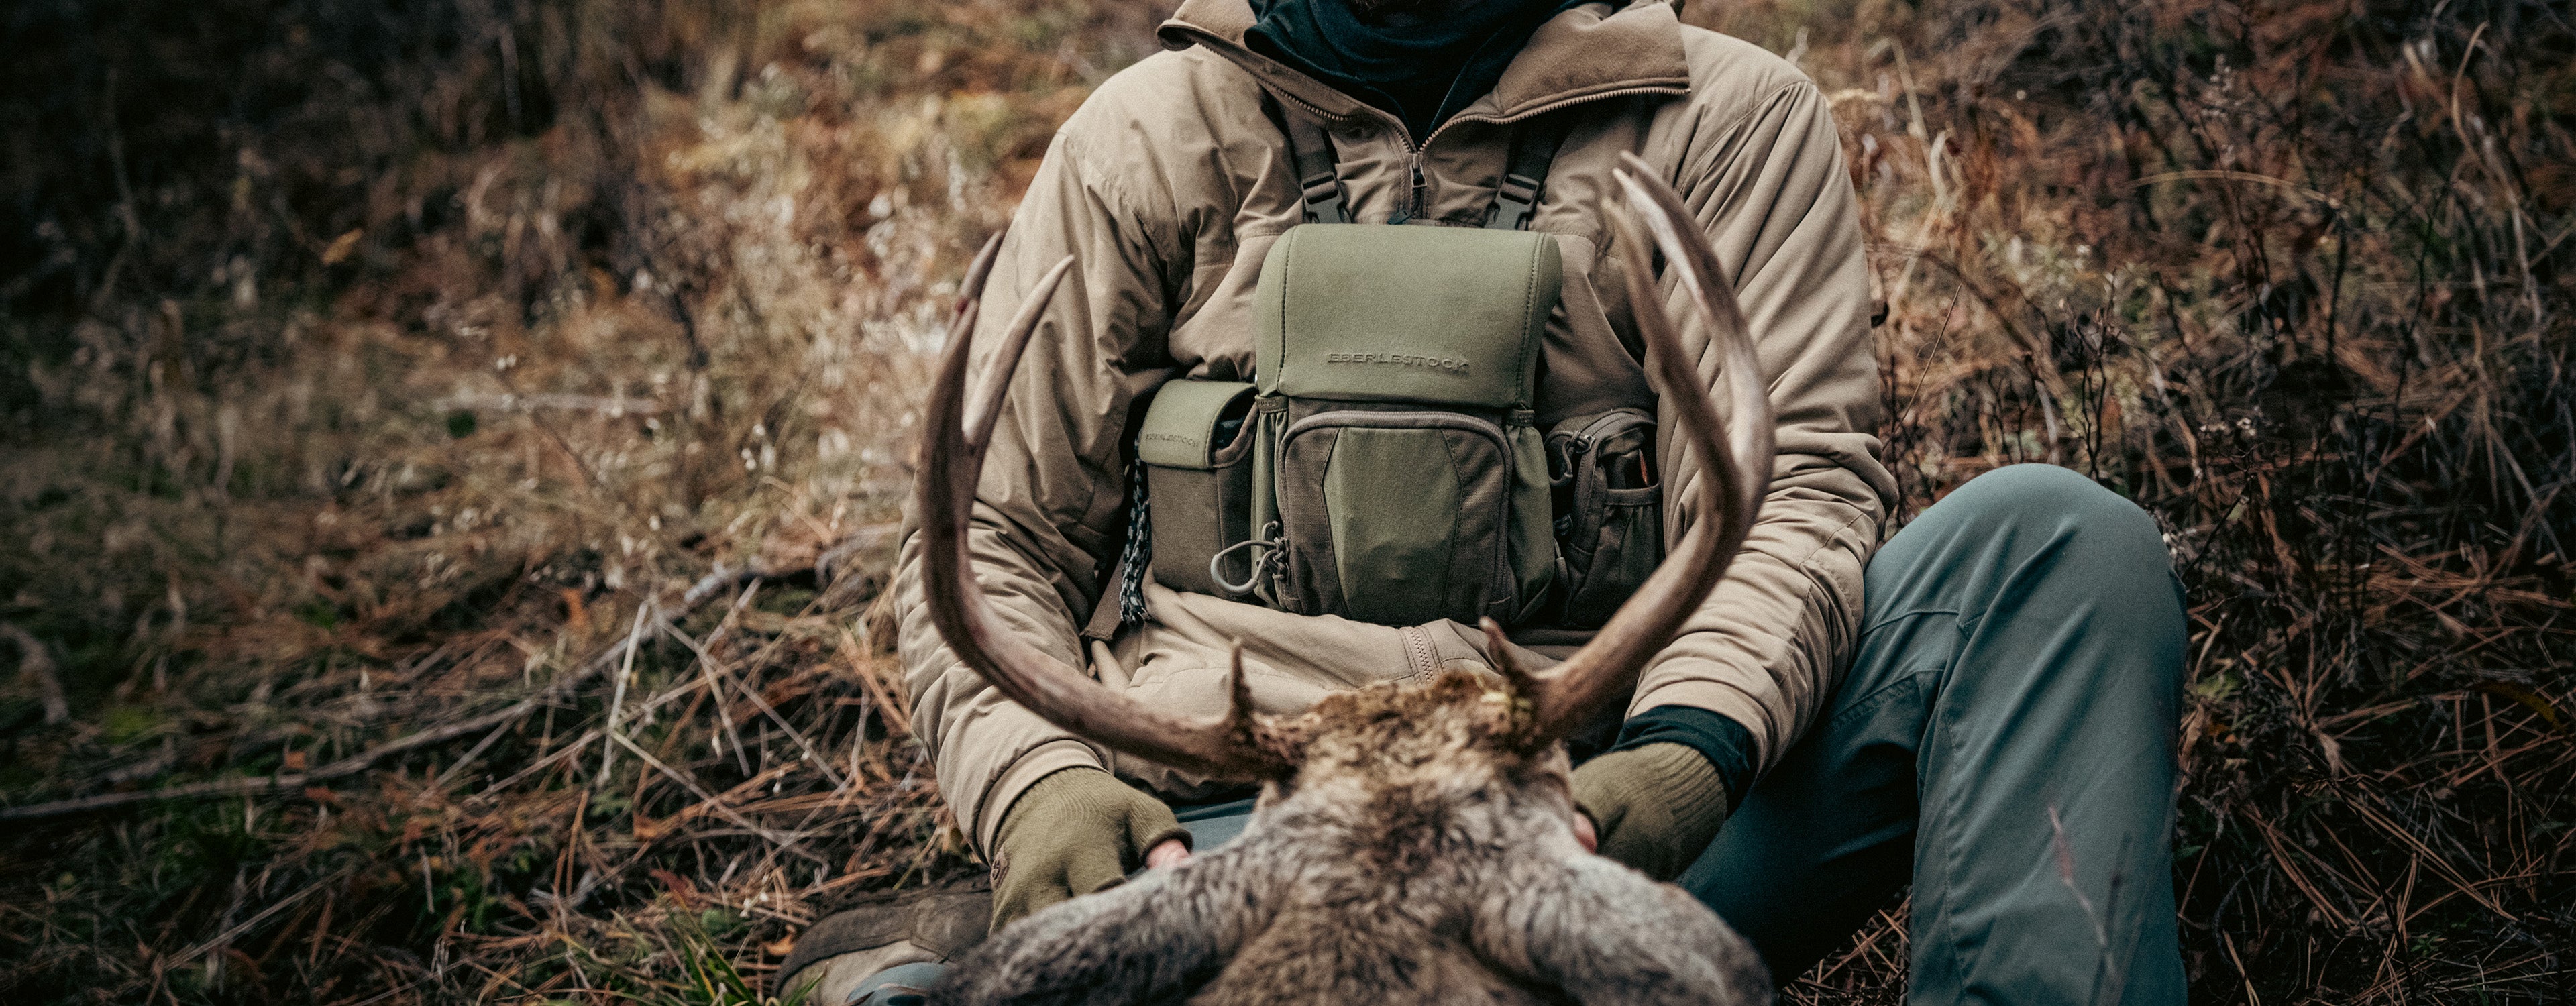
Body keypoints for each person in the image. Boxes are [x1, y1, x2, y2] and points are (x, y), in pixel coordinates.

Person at [780, 1, 2188, 1003]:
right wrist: (1042, 785)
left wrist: (1690, 751)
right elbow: (988, 542)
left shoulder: (1728, 121)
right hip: (1235, 845)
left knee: (2054, 551)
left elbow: (1795, 495)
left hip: (1607, 825)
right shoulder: (1146, 139)